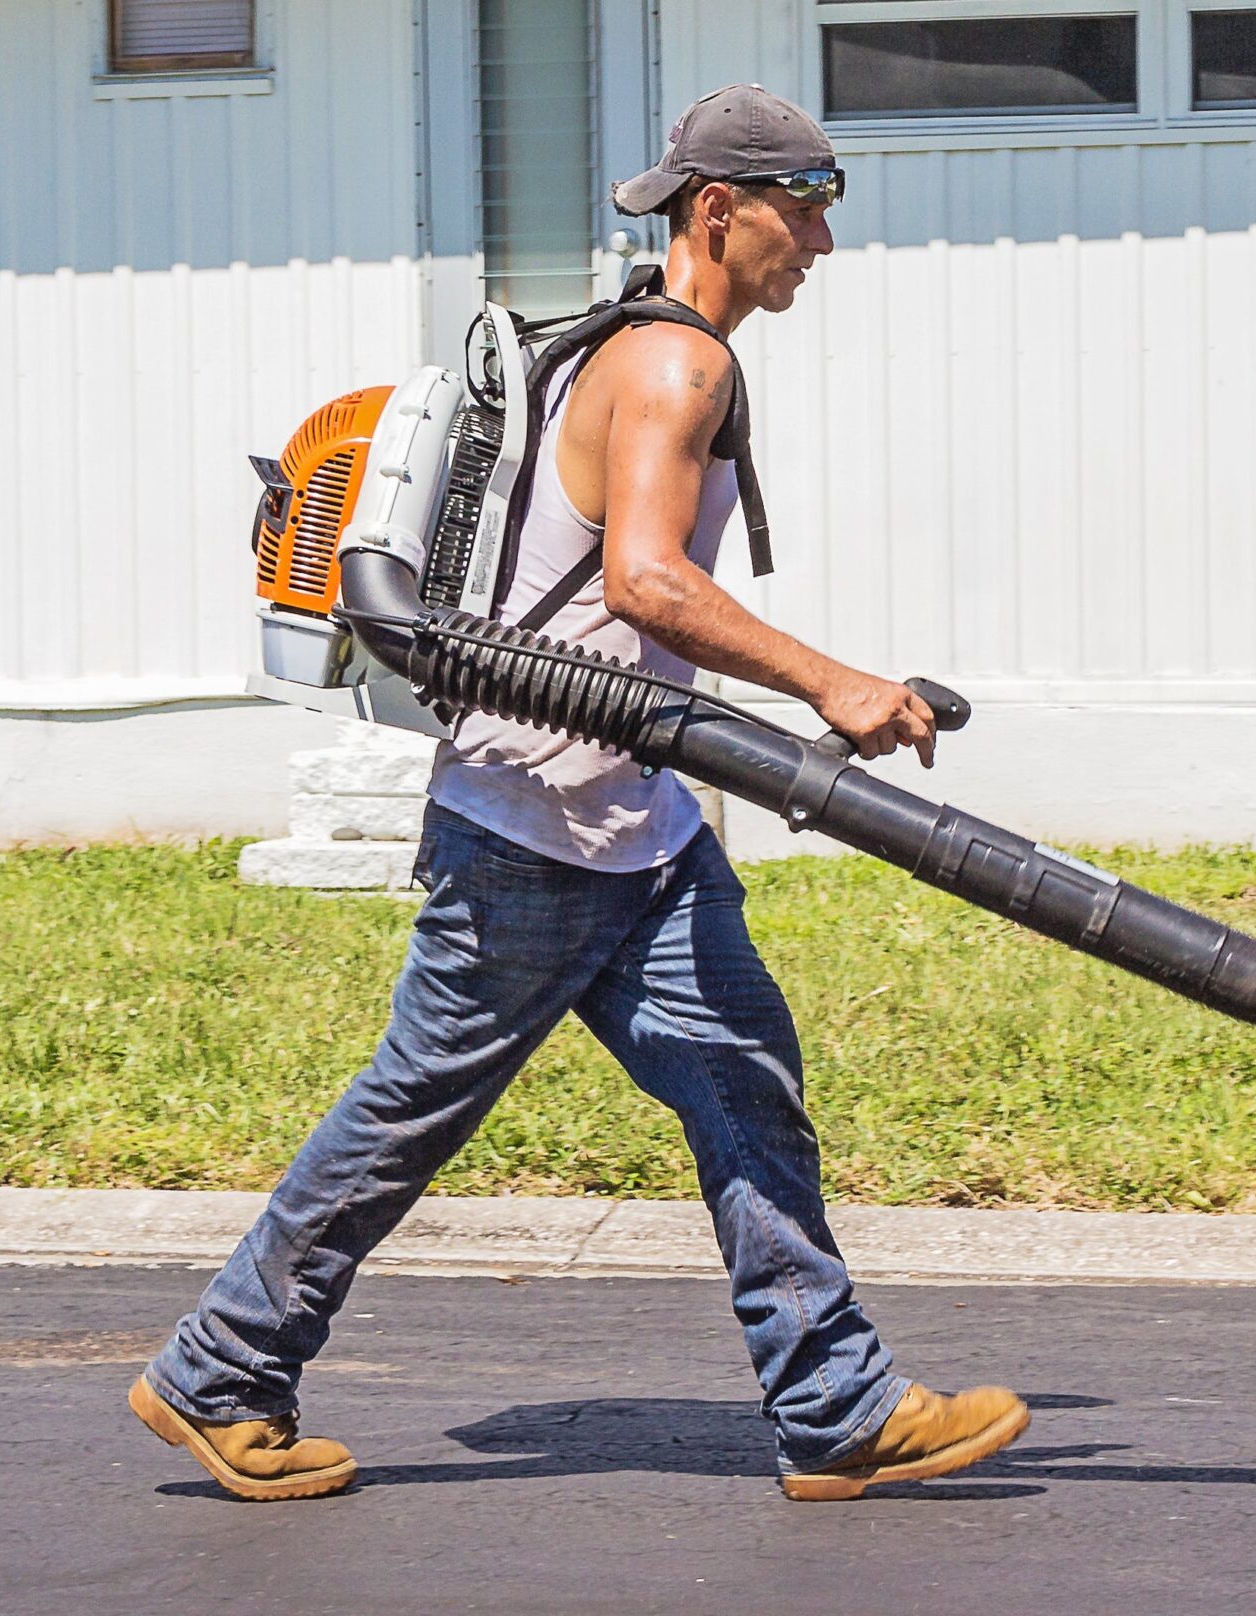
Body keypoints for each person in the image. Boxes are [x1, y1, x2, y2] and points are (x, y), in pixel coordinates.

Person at [131, 85, 1028, 1504]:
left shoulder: (621, 346)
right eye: (805, 211)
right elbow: (648, 584)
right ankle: (222, 1364)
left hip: (632, 819)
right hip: (536, 824)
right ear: (718, 211)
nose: (822, 245)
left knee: (746, 1079)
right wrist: (834, 685)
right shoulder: (676, 367)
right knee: (409, 1110)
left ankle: (836, 1403)